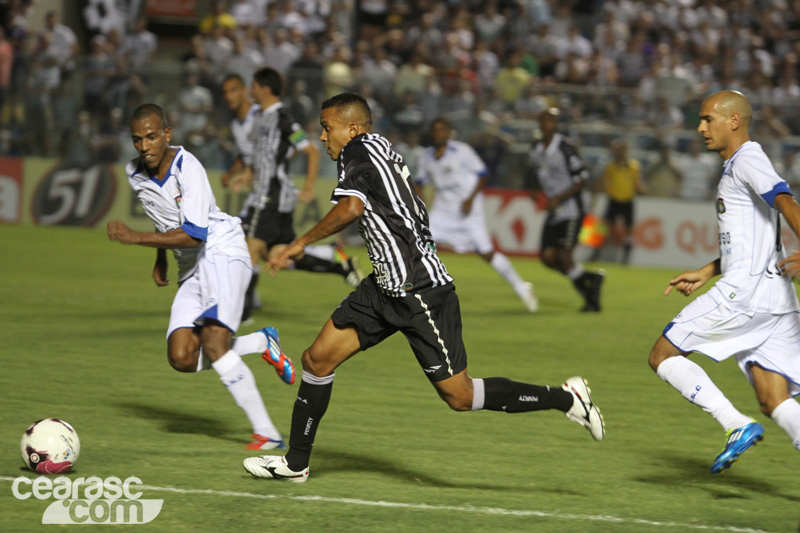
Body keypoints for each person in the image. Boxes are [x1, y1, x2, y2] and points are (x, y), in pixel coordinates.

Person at [242, 92, 604, 483]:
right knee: (317, 360)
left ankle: (568, 399)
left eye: (327, 128)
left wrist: (300, 243)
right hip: (383, 287)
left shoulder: (357, 151)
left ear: (353, 128)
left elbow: (351, 208)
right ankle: (296, 464)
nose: (322, 137)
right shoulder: (380, 147)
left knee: (460, 397)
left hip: (419, 291)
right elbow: (408, 202)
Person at [106, 104, 294, 452]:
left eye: (151, 136)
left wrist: (135, 238)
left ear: (167, 134)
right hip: (188, 265)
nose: (144, 146)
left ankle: (267, 431)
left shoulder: (186, 166)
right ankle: (259, 343)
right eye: (137, 139)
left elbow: (194, 234)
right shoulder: (135, 173)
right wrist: (159, 255)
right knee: (181, 356)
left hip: (220, 250)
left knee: (214, 343)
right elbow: (161, 216)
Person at [648, 90, 800, 474]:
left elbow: (785, 200)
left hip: (745, 295)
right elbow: (757, 238)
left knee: (663, 355)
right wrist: (707, 270)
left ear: (734, 121)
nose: (700, 128)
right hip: (776, 298)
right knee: (774, 398)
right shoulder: (737, 164)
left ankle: (735, 424)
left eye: (707, 119)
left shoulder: (748, 159)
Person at [227, 69, 364, 322]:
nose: (250, 91)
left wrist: (309, 186)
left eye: (254, 86)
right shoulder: (261, 117)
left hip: (271, 195)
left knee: (250, 249)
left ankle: (241, 314)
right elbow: (266, 156)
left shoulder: (283, 118)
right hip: (268, 193)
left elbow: (310, 150)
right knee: (278, 253)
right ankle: (338, 264)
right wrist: (247, 175)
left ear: (265, 89)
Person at [415, 117, 538, 312]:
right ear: (431, 134)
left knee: (486, 253)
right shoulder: (426, 157)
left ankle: (521, 287)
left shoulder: (462, 151)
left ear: (449, 133)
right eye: (435, 130)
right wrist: (421, 207)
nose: (439, 134)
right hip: (443, 211)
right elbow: (419, 183)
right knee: (420, 244)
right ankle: (420, 291)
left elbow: (482, 174)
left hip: (468, 211)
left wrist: (470, 199)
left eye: (442, 130)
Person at [529, 108, 605, 312]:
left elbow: (582, 178)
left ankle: (591, 299)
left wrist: (558, 198)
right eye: (543, 120)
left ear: (556, 124)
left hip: (572, 208)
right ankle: (591, 279)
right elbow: (539, 173)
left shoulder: (565, 147)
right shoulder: (536, 148)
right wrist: (537, 191)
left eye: (550, 121)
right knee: (547, 257)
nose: (546, 125)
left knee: (564, 255)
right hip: (555, 210)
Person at [595, 138, 646, 264]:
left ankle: (626, 256)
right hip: (613, 199)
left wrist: (643, 189)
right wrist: (597, 191)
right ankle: (595, 252)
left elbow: (638, 183)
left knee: (629, 230)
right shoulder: (611, 166)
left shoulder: (633, 166)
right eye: (617, 150)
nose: (619, 152)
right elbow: (603, 181)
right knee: (604, 226)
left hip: (627, 200)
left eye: (622, 150)